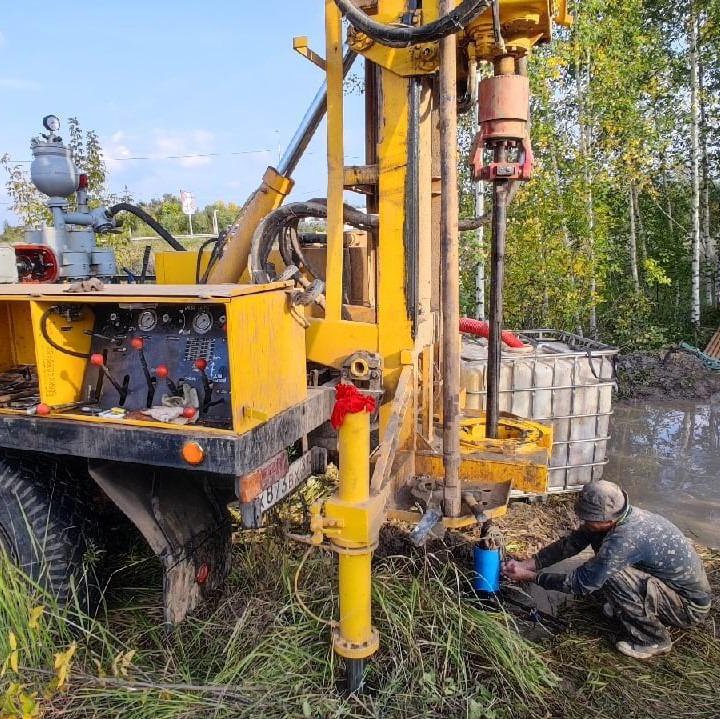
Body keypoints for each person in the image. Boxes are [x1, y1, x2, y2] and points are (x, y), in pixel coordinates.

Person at [502, 480, 712, 659]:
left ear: (607, 520)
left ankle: (653, 639)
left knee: (611, 576)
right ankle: (631, 605)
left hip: (688, 607)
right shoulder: (618, 518)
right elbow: (572, 543)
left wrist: (531, 577)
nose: (584, 522)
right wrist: (528, 563)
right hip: (666, 586)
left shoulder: (625, 538)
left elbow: (580, 584)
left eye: (589, 520)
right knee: (603, 563)